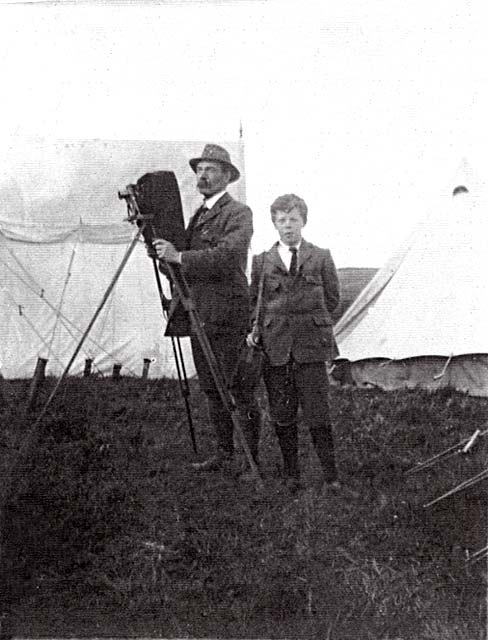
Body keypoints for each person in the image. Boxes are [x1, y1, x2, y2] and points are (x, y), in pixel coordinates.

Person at [152, 143, 260, 471]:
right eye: (199, 170)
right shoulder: (198, 216)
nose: (203, 175)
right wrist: (162, 256)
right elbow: (180, 264)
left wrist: (180, 256)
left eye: (210, 169)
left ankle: (250, 458)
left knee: (238, 388)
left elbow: (227, 258)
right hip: (199, 313)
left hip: (228, 315)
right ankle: (224, 454)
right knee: (212, 388)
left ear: (227, 177)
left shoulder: (238, 213)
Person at [247, 193, 340, 491]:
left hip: (311, 348)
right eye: (282, 220)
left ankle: (330, 476)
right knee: (283, 414)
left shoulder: (321, 256)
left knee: (318, 412)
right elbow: (255, 304)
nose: (288, 226)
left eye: (294, 219)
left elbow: (332, 299)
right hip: (276, 350)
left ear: (304, 221)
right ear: (274, 223)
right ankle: (292, 475)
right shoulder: (262, 261)